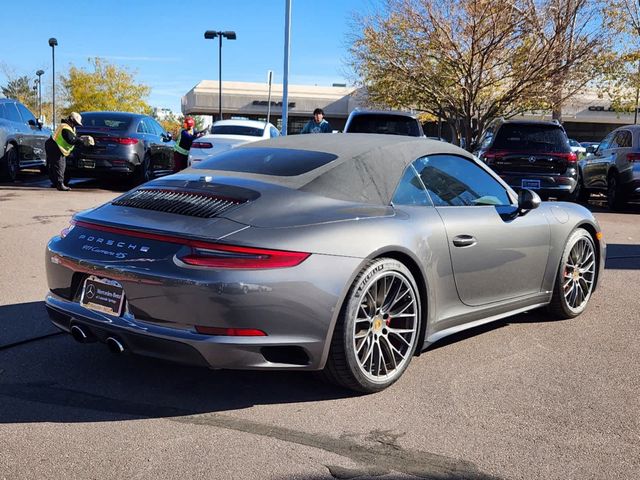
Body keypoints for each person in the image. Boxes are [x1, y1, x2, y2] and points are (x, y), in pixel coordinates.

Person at [45, 112, 94, 191]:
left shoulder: (70, 128)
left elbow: (73, 138)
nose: (76, 125)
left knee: (58, 166)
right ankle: (60, 184)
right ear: (71, 119)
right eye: (75, 123)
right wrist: (81, 141)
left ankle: (57, 183)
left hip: (56, 147)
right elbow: (71, 139)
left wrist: (80, 140)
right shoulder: (65, 127)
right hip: (54, 146)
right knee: (59, 166)